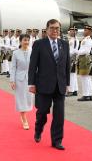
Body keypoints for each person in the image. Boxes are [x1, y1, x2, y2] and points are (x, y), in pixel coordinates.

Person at [28, 19, 70, 150]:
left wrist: (67, 83)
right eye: (52, 28)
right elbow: (33, 65)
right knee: (42, 112)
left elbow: (67, 66)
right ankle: (38, 129)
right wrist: (32, 83)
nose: (55, 30)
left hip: (60, 85)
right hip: (43, 85)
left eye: (57, 28)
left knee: (59, 116)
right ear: (47, 30)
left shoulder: (65, 44)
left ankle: (57, 141)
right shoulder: (39, 44)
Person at [10, 34, 33, 130]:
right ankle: (24, 118)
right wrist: (12, 80)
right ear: (20, 41)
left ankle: (23, 114)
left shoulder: (32, 51)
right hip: (19, 79)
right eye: (24, 40)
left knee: (28, 98)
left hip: (30, 79)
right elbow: (13, 67)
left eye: (28, 40)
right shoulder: (16, 53)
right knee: (21, 98)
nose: (26, 42)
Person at [77, 25, 92, 101]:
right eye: (84, 30)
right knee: (87, 78)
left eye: (86, 30)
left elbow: (86, 51)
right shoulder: (85, 39)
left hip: (84, 58)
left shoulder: (88, 40)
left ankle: (86, 95)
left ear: (90, 32)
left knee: (84, 77)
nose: (84, 31)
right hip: (83, 58)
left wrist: (77, 52)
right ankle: (90, 94)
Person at [66, 26, 79, 96]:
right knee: (73, 75)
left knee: (71, 75)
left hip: (72, 58)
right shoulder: (71, 39)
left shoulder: (75, 40)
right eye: (70, 31)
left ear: (75, 32)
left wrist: (67, 54)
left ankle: (71, 91)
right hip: (70, 58)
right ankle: (75, 90)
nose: (70, 32)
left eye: (72, 31)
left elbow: (74, 50)